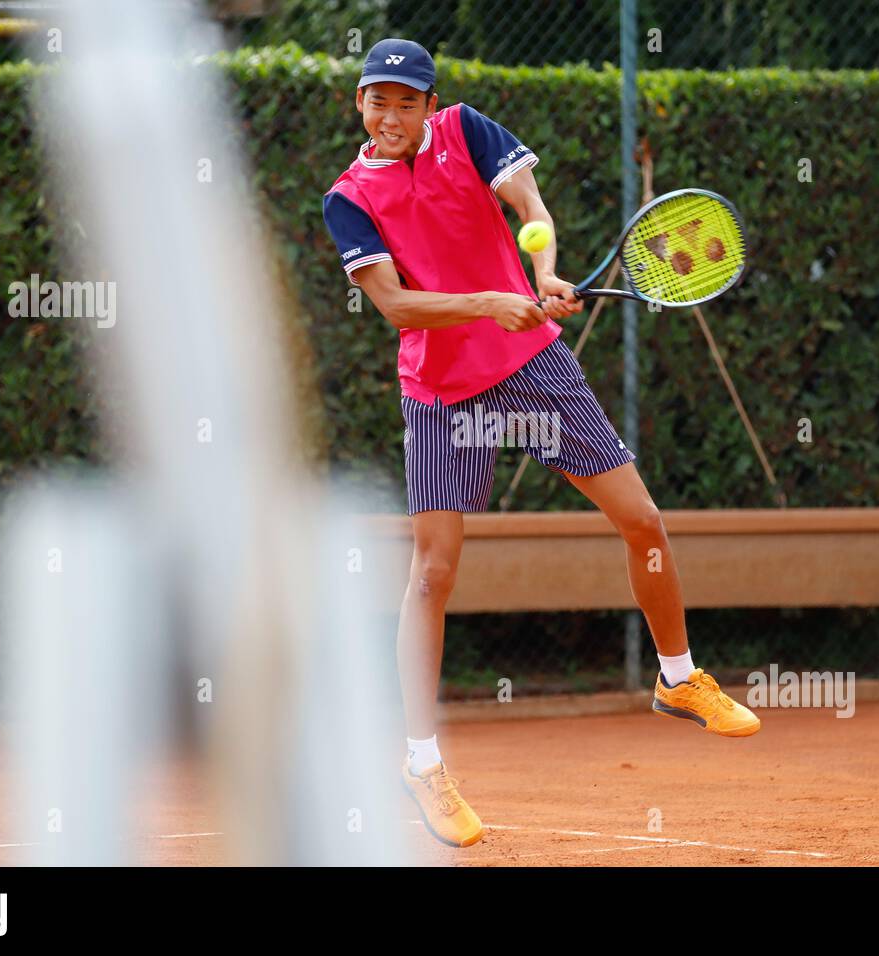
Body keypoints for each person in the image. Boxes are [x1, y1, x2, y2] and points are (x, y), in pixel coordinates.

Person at [321, 38, 760, 849]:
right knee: (434, 573)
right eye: (377, 100)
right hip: (442, 391)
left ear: (428, 103)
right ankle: (421, 764)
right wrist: (493, 299)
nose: (391, 115)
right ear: (359, 103)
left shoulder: (468, 130)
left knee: (642, 521)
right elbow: (397, 308)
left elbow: (533, 214)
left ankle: (677, 679)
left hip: (532, 365)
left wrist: (544, 275)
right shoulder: (348, 197)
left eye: (406, 101)